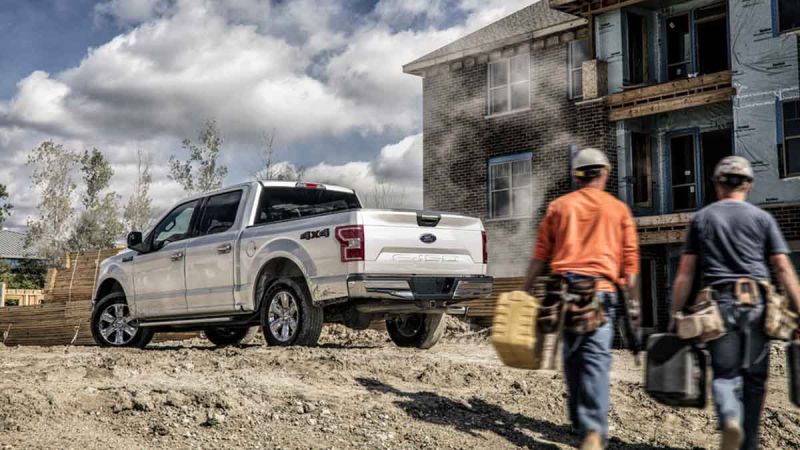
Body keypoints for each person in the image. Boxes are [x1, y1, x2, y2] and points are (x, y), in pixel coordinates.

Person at [669, 156, 800, 450]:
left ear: (717, 185)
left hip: (719, 306)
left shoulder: (703, 218)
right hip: (757, 305)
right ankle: (749, 441)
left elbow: (685, 273)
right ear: (749, 185)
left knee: (725, 375)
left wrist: (675, 313)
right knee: (754, 379)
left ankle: (729, 420)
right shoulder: (762, 219)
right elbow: (783, 268)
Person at [523, 148, 640, 450]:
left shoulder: (560, 207)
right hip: (600, 294)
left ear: (576, 176)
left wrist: (526, 289)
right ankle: (591, 430)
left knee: (572, 357)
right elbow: (630, 263)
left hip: (564, 294)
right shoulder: (618, 210)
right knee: (595, 360)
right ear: (605, 173)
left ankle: (579, 419)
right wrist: (634, 302)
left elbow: (540, 255)